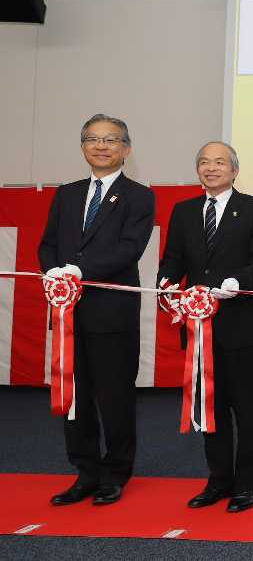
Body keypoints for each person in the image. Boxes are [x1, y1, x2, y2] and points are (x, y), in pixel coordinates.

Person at [38, 114, 156, 505]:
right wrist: (53, 271)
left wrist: (79, 270)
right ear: (83, 146)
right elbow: (48, 243)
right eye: (92, 139)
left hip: (112, 313)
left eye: (110, 140)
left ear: (126, 149)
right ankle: (85, 472)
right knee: (75, 396)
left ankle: (115, 473)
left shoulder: (139, 195)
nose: (101, 146)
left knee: (115, 396)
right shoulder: (66, 193)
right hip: (68, 313)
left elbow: (129, 248)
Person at [156, 142, 253, 513]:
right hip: (199, 326)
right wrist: (165, 285)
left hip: (241, 323)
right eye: (204, 163)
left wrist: (236, 283)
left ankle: (248, 484)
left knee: (245, 406)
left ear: (234, 170)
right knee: (210, 406)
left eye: (219, 162)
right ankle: (219, 479)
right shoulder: (184, 210)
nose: (211, 168)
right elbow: (173, 260)